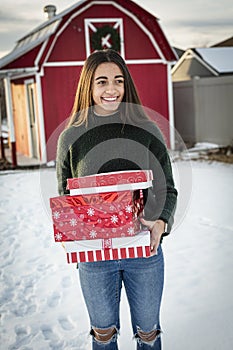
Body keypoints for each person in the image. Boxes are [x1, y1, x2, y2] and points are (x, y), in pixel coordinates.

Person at [56, 49, 178, 349]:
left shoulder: (146, 129)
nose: (111, 89)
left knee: (148, 333)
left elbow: (168, 189)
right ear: (89, 86)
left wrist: (162, 221)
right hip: (96, 258)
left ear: (126, 85)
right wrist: (69, 231)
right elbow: (65, 197)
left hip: (144, 253)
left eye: (118, 81)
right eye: (101, 82)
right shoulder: (71, 137)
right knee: (103, 334)